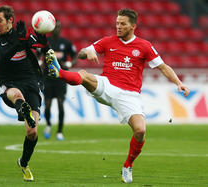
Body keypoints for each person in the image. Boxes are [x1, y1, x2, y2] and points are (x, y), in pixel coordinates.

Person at [45, 8, 190, 183]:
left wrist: (178, 83)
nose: (118, 27)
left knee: (140, 131)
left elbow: (163, 67)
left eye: (123, 24)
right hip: (107, 86)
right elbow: (83, 51)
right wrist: (88, 52)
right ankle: (59, 72)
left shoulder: (144, 46)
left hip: (130, 96)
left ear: (133, 26)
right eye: (117, 23)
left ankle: (128, 165)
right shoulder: (108, 41)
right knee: (83, 75)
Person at [0, 5, 49, 181]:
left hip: (30, 81)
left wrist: (43, 40)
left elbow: (40, 47)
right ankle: (23, 108)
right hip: (8, 82)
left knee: (32, 133)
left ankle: (23, 162)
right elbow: (1, 56)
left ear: (10, 20)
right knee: (16, 95)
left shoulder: (21, 33)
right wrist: (19, 41)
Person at [37, 20, 77, 141]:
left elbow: (74, 55)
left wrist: (70, 63)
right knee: (47, 105)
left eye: (59, 27)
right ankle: (48, 124)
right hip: (47, 78)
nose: (57, 29)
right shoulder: (46, 42)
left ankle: (60, 131)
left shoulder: (66, 43)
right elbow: (37, 54)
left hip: (61, 77)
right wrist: (40, 62)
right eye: (55, 27)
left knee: (60, 104)